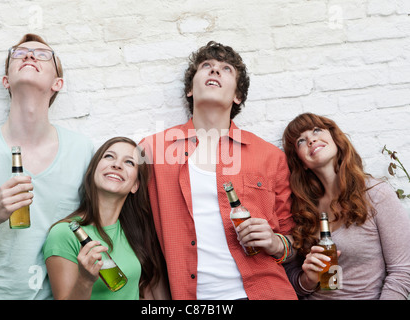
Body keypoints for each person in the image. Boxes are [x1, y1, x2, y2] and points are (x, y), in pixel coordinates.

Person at [140, 41, 297, 300]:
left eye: (226, 69)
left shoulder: (270, 157)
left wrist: (275, 242)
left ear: (238, 96)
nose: (214, 71)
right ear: (190, 90)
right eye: (206, 66)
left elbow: (295, 240)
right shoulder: (153, 151)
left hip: (266, 292)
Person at [0, 34, 94, 300]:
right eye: (19, 53)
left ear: (58, 83)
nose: (30, 55)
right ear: (6, 81)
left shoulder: (83, 152)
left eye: (43, 54)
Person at [282, 112, 410, 299]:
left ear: (335, 139)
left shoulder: (375, 194)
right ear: (302, 163)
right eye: (301, 141)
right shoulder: (303, 208)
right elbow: (292, 281)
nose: (311, 139)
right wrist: (308, 280)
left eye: (317, 130)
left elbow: (403, 272)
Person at [43, 137, 169, 300]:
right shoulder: (65, 234)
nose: (117, 165)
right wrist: (85, 280)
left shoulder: (134, 232)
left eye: (129, 162)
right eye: (109, 156)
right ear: (93, 170)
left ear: (135, 185)